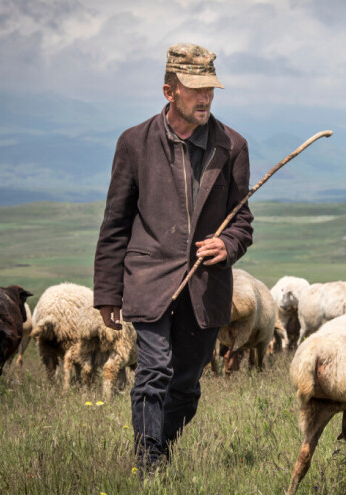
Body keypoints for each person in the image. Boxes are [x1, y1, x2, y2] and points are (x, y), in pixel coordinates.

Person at [93, 43, 253, 472]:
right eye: (196, 89)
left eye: (211, 89)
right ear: (169, 91)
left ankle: (160, 446)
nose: (206, 98)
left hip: (205, 286)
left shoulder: (232, 146)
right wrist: (108, 292)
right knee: (153, 371)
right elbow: (115, 223)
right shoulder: (133, 143)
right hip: (148, 279)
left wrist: (228, 245)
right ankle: (148, 463)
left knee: (186, 384)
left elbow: (242, 221)